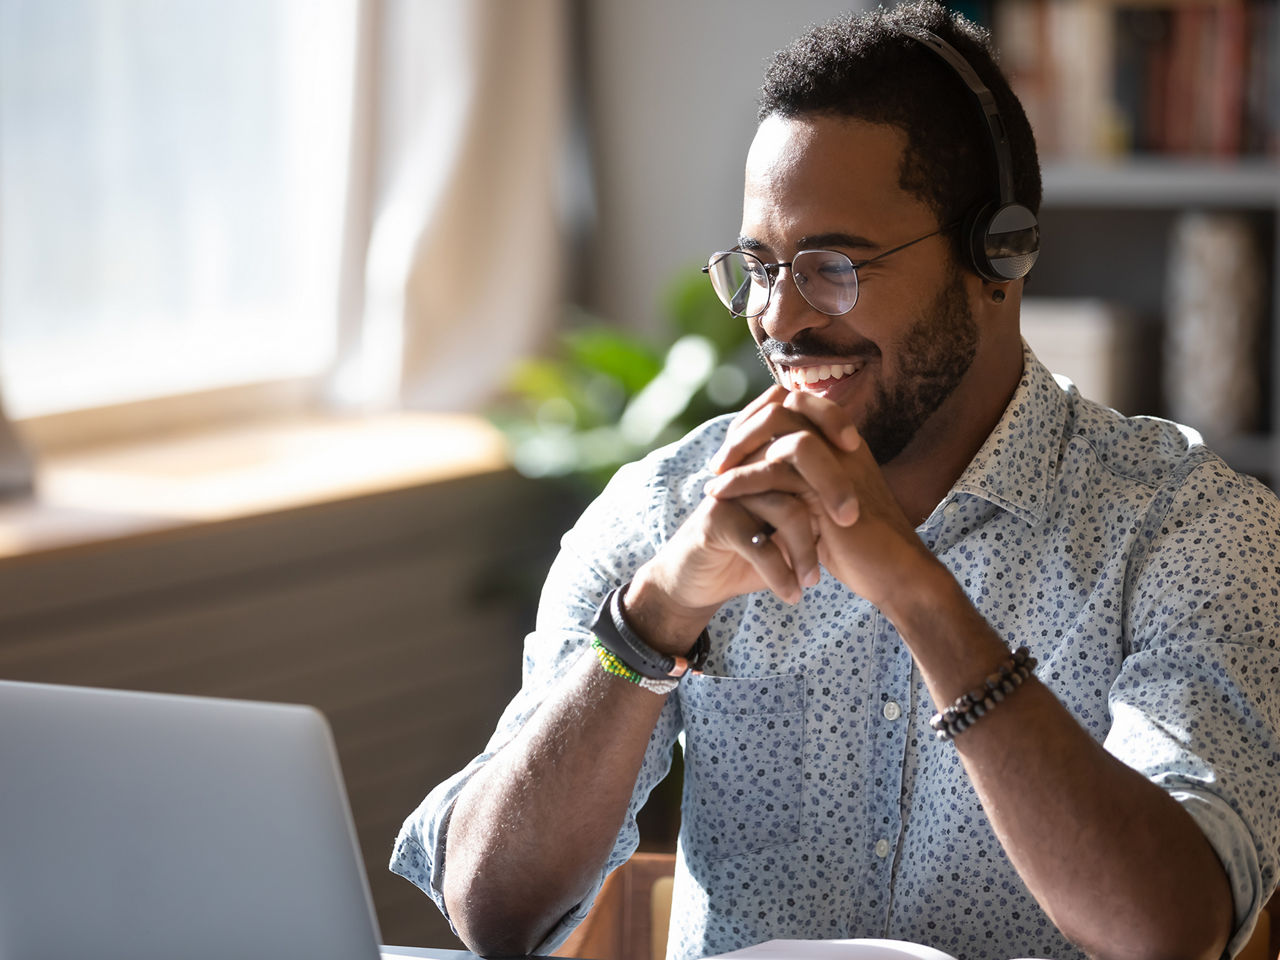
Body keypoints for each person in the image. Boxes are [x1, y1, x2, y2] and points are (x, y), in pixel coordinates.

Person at [391, 4, 1280, 959]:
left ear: (1001, 255)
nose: (780, 320)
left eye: (834, 266)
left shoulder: (1191, 528)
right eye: (761, 266)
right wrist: (653, 618)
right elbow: (490, 912)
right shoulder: (668, 511)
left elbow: (1172, 930)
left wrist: (917, 593)